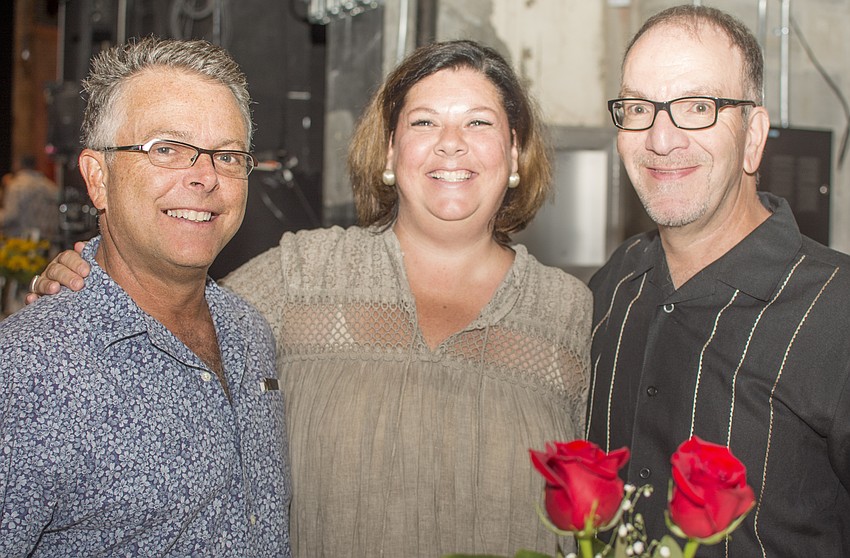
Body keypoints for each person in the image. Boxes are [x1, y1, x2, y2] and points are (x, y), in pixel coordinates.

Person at [29, 40, 592, 557]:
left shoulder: (572, 312)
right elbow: (166, 303)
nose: (451, 142)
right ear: (391, 154)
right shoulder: (303, 274)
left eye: (478, 121)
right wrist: (84, 275)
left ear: (515, 154)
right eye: (424, 121)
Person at [0, 37, 291, 557]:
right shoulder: (29, 371)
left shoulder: (250, 333)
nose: (204, 177)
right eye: (167, 149)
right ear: (98, 178)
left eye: (226, 155)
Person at [586, 5, 850, 556]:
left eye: (696, 107)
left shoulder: (838, 313)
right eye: (638, 107)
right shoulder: (614, 286)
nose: (661, 139)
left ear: (753, 134)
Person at [0, 155, 59, 243]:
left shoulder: (16, 186)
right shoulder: (49, 185)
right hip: (47, 241)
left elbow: (10, 215)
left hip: (21, 242)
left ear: (17, 164)